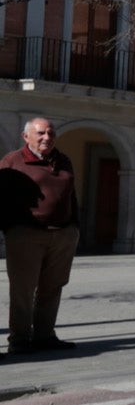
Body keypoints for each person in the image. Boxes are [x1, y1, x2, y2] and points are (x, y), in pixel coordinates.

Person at [0, 117, 80, 354]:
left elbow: (71, 196)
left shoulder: (63, 160)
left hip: (63, 234)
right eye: (41, 133)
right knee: (23, 289)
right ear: (27, 136)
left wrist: (74, 226)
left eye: (51, 133)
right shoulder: (12, 161)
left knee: (53, 286)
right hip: (26, 234)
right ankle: (20, 339)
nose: (47, 137)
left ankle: (45, 335)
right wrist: (11, 228)